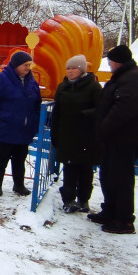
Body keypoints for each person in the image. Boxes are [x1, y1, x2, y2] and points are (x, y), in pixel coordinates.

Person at [89, 44, 138, 234]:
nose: (109, 65)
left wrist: (104, 127)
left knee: (121, 179)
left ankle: (124, 220)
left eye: (110, 62)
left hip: (124, 138)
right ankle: (110, 211)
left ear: (117, 62)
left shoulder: (132, 78)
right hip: (115, 138)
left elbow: (124, 109)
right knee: (109, 175)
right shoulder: (125, 76)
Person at [0, 50, 42, 197]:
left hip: (23, 129)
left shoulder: (31, 81)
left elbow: (37, 104)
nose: (28, 67)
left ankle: (19, 185)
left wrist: (34, 123)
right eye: (25, 65)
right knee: (2, 157)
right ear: (16, 65)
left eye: (29, 64)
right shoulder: (2, 79)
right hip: (6, 127)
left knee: (20, 158)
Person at [50, 54, 102, 213]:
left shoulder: (93, 87)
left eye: (73, 68)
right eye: (68, 68)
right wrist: (54, 131)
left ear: (82, 70)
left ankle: (83, 199)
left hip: (87, 136)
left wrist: (85, 114)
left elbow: (102, 109)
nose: (69, 71)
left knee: (86, 170)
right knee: (69, 169)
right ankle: (68, 200)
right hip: (67, 135)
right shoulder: (63, 86)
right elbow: (57, 111)